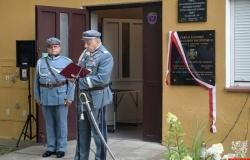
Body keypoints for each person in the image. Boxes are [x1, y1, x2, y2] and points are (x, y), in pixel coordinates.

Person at [68, 30, 114, 160]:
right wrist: (72, 75)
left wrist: (78, 80)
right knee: (82, 132)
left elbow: (102, 79)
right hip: (83, 98)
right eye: (85, 43)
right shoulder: (85, 54)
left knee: (99, 135)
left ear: (97, 42)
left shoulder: (106, 56)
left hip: (97, 99)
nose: (85, 46)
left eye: (88, 43)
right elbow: (80, 70)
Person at [34, 37, 75, 158]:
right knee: (49, 124)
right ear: (47, 48)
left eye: (56, 46)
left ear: (60, 47)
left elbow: (72, 82)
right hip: (45, 96)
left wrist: (70, 97)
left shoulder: (67, 61)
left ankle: (61, 148)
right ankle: (51, 147)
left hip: (61, 96)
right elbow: (36, 81)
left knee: (62, 124)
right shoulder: (41, 62)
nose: (53, 48)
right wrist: (37, 96)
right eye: (50, 46)